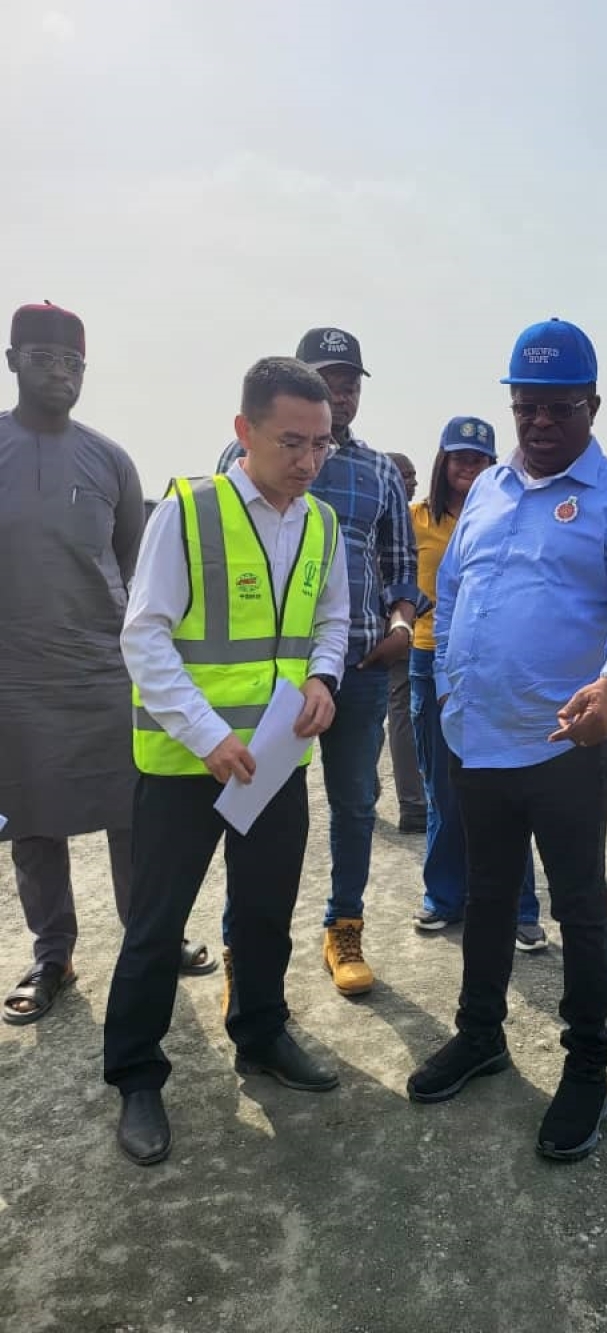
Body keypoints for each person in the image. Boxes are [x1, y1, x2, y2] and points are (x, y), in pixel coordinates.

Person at [407, 319, 607, 1163]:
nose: (541, 422)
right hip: (476, 739)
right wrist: (450, 681)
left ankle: (587, 1068)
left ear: (592, 405)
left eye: (560, 407)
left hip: (565, 742)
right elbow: (448, 593)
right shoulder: (485, 488)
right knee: (486, 896)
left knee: (581, 908)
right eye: (527, 406)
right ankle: (481, 1034)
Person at [104, 357, 351, 1166]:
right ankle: (138, 1075)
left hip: (275, 760)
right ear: (243, 430)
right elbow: (143, 636)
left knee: (264, 911)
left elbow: (334, 619)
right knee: (156, 924)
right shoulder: (190, 512)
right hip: (188, 760)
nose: (309, 460)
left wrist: (323, 675)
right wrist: (208, 733)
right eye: (292, 441)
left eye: (323, 443)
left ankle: (261, 1031)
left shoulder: (318, 522)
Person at [0, 302, 213, 1029]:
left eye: (73, 364)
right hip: (16, 675)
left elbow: (129, 562)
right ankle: (52, 952)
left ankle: (151, 934)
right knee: (32, 824)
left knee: (136, 813)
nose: (60, 374)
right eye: (43, 359)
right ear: (12, 362)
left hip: (101, 670)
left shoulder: (110, 460)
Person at [218, 327, 423, 997]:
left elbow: (399, 565)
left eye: (352, 382)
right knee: (255, 807)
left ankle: (344, 927)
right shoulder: (241, 457)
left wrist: (399, 621)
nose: (342, 392)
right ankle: (240, 952)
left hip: (359, 670)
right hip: (269, 677)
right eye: (330, 379)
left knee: (356, 804)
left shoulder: (376, 473)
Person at [409, 417, 546, 950]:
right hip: (430, 661)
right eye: (459, 457)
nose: (468, 468)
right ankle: (444, 897)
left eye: (479, 459)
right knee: (445, 791)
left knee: (511, 789)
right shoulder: (415, 518)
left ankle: (521, 908)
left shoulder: (510, 514)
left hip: (496, 668)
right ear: (442, 461)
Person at [382, 452, 428, 834]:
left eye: (414, 475)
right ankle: (412, 804)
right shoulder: (402, 519)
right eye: (404, 475)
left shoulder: (412, 515)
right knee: (400, 710)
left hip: (411, 625)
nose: (412, 482)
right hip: (396, 627)